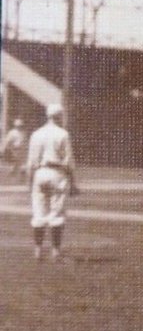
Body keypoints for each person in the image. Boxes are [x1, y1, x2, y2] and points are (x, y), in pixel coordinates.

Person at [26, 102, 76, 260]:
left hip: (40, 173)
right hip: (57, 173)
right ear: (59, 116)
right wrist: (73, 182)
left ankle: (38, 250)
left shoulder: (36, 134)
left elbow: (31, 162)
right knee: (57, 213)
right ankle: (55, 251)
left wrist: (29, 182)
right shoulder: (63, 134)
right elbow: (68, 161)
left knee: (39, 213)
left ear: (48, 115)